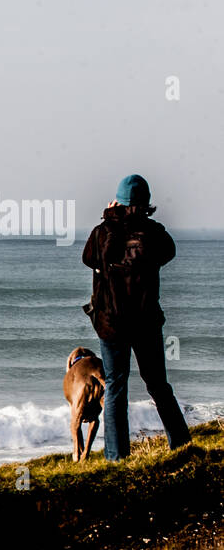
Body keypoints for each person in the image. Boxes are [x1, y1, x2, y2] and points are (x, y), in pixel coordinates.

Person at [81, 173, 191, 459]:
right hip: (145, 323)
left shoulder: (102, 232)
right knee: (158, 384)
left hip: (110, 323)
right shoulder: (154, 235)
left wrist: (109, 217)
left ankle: (117, 457)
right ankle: (181, 444)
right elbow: (169, 253)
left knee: (116, 386)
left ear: (118, 201)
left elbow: (89, 259)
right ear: (146, 203)